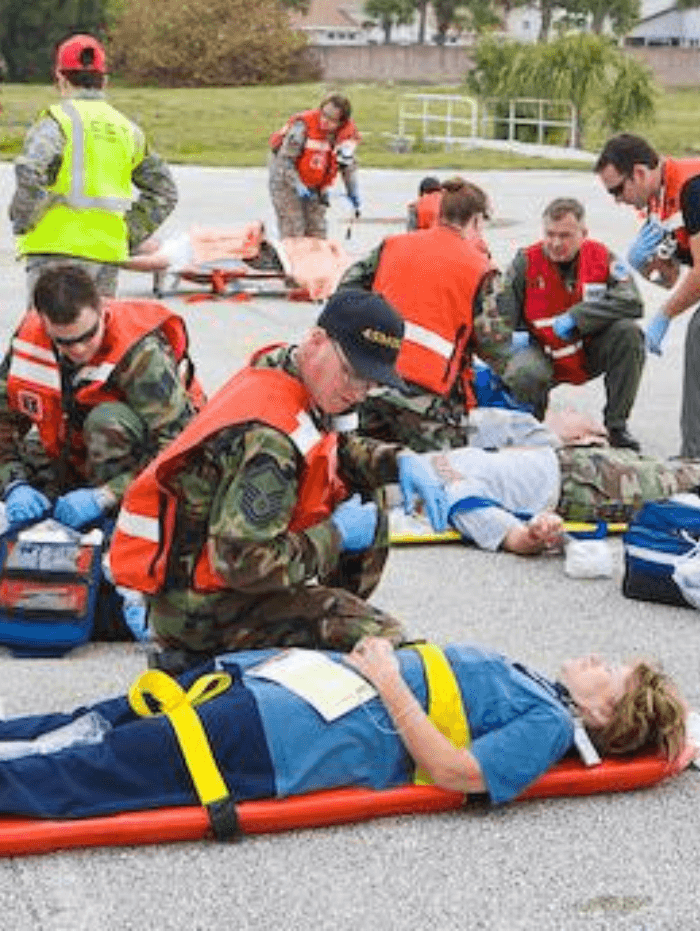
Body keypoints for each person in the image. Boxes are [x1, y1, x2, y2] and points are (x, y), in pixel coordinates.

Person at [0, 634, 686, 820]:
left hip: (280, 738)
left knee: (84, 766)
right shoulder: (535, 686)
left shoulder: (543, 723)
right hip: (275, 690)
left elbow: (456, 774)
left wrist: (387, 680)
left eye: (614, 674)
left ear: (601, 716)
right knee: (83, 726)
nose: (600, 659)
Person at [109, 290, 449, 663]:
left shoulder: (286, 368)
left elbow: (334, 448)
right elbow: (243, 564)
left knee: (367, 486)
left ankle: (321, 620)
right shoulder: (270, 442)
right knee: (384, 641)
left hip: (201, 581)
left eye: (371, 383)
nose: (358, 393)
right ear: (317, 341)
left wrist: (398, 460)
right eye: (352, 374)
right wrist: (334, 535)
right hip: (203, 610)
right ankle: (209, 659)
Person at [0, 263, 203, 534]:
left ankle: (114, 522)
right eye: (64, 342)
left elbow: (179, 448)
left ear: (101, 310)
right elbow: (3, 421)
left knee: (107, 421)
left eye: (87, 336)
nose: (78, 350)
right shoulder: (30, 341)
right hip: (71, 451)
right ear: (43, 322)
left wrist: (106, 495)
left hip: (140, 460)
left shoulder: (142, 354)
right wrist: (14, 484)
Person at [337, 176, 507, 453]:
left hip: (369, 385)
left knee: (362, 464)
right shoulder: (481, 270)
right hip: (429, 405)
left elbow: (345, 293)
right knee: (439, 477)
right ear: (476, 221)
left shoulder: (393, 246)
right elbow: (495, 346)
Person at [394, 407, 700, 555]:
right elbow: (513, 537)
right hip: (584, 488)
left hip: (571, 459)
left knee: (680, 470)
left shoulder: (421, 462)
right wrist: (535, 534)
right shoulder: (451, 495)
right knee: (686, 480)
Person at [8, 33, 177, 299]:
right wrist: (127, 233)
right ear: (105, 81)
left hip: (55, 253)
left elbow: (30, 170)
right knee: (93, 337)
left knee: (45, 337)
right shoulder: (128, 130)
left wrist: (24, 220)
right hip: (105, 257)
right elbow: (164, 192)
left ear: (60, 79)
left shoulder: (57, 121)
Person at [494, 197, 645, 451]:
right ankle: (532, 429)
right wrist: (510, 347)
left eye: (565, 236)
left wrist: (580, 316)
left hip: (587, 349)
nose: (555, 243)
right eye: (549, 234)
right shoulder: (525, 262)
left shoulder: (602, 257)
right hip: (542, 352)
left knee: (629, 334)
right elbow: (503, 316)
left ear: (583, 234)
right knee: (524, 371)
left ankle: (616, 427)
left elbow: (632, 302)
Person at [595, 134, 700, 458]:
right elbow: (670, 278)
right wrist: (643, 265)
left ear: (639, 173)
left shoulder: (691, 188)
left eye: (617, 190)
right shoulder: (656, 202)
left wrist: (665, 316)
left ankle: (694, 459)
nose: (617, 200)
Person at [268, 93, 360, 239]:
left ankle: (315, 260)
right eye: (323, 115)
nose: (324, 121)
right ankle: (292, 259)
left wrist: (352, 191)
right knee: (294, 228)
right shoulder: (302, 126)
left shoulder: (346, 136)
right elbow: (284, 161)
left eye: (331, 120)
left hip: (316, 183)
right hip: (285, 179)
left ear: (341, 123)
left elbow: (347, 165)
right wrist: (298, 185)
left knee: (317, 230)